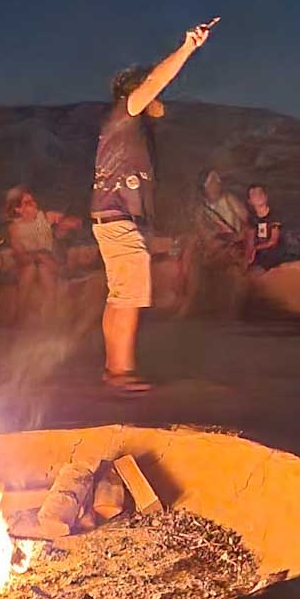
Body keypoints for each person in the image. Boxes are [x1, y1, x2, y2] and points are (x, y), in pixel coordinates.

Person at [91, 20, 214, 392]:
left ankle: (114, 369)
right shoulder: (126, 113)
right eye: (151, 91)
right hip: (119, 218)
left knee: (119, 297)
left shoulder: (126, 129)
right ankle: (122, 373)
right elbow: (154, 84)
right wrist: (188, 48)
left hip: (113, 218)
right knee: (128, 298)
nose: (159, 98)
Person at [178, 169, 250, 316]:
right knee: (192, 250)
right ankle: (186, 298)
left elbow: (247, 222)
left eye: (217, 180)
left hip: (232, 243)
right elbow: (202, 233)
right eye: (212, 180)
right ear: (204, 186)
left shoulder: (230, 200)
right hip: (214, 247)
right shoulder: (201, 210)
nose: (217, 183)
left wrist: (238, 239)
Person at [5, 187, 64, 322]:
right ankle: (20, 316)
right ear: (18, 209)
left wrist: (63, 225)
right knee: (30, 268)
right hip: (28, 261)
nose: (34, 204)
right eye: (27, 203)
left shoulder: (45, 217)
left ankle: (50, 318)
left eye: (33, 201)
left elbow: (67, 221)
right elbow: (19, 253)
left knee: (44, 268)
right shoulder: (15, 227)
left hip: (47, 260)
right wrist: (36, 256)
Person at [245, 184, 285, 271]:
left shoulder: (274, 215)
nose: (258, 196)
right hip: (260, 252)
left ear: (266, 197)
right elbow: (250, 241)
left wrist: (256, 248)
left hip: (275, 251)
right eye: (254, 194)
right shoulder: (251, 219)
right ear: (250, 201)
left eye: (260, 193)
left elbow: (273, 241)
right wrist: (249, 255)